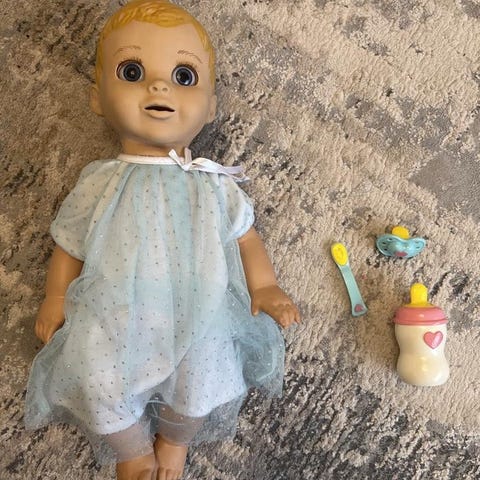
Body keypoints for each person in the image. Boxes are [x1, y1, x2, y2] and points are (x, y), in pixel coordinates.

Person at [25, 1, 300, 479]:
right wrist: (55, 297)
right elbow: (69, 245)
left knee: (205, 376)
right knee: (94, 373)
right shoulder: (99, 180)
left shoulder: (213, 184)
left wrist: (265, 286)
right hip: (112, 310)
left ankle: (175, 439)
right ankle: (131, 448)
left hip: (200, 309)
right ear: (97, 98)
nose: (159, 86)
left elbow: (246, 238)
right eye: (132, 72)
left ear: (210, 107)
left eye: (184, 76)